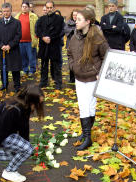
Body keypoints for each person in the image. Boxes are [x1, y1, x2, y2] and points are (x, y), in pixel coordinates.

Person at [0, 83, 44, 182]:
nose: (40, 105)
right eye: (38, 103)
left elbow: (24, 126)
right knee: (27, 149)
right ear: (30, 100)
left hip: (6, 132)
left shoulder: (25, 106)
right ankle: (10, 171)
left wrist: (25, 142)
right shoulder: (12, 110)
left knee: (18, 152)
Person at [68, 9, 109, 150]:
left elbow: (107, 57)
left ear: (88, 21)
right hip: (79, 77)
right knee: (84, 106)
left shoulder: (98, 38)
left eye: (79, 19)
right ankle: (86, 134)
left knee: (88, 106)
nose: (76, 21)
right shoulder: (74, 37)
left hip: (92, 78)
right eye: (76, 19)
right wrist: (73, 66)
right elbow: (69, 54)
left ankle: (87, 137)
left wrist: (99, 72)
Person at [36, 0, 64, 89]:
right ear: (45, 8)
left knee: (56, 65)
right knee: (44, 65)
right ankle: (43, 81)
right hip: (44, 46)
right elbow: (37, 30)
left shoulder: (59, 19)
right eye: (47, 8)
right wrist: (43, 37)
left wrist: (51, 38)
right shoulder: (41, 19)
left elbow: (61, 31)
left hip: (54, 45)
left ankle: (58, 82)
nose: (49, 9)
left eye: (51, 7)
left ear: (53, 8)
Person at [0, 2, 22, 92]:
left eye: (8, 11)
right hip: (2, 50)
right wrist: (1, 45)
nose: (6, 13)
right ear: (2, 12)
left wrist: (10, 45)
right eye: (4, 11)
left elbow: (18, 36)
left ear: (11, 11)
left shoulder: (17, 22)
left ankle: (17, 85)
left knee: (15, 69)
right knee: (3, 69)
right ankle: (4, 84)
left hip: (13, 50)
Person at [15, 1, 38, 76]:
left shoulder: (33, 16)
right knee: (23, 56)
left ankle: (32, 70)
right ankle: (25, 69)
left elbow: (37, 27)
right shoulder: (17, 17)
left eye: (26, 7)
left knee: (31, 56)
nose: (24, 8)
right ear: (21, 7)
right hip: (20, 41)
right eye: (23, 6)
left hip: (30, 41)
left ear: (28, 8)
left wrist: (36, 36)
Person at [64, 9, 78, 83]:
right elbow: (66, 31)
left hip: (78, 45)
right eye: (74, 15)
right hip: (70, 44)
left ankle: (77, 77)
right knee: (71, 61)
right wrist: (73, 30)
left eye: (76, 15)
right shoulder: (68, 23)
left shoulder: (80, 22)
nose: (75, 16)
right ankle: (71, 78)